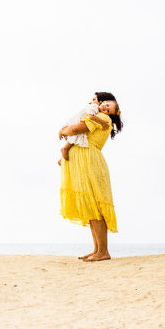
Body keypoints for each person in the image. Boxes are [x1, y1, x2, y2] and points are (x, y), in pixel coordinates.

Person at [58, 91, 123, 262]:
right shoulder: (97, 116)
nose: (95, 103)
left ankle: (103, 251)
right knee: (89, 207)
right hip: (84, 160)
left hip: (89, 161)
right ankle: (97, 250)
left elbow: (76, 129)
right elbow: (77, 134)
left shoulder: (102, 118)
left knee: (94, 206)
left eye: (104, 103)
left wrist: (62, 129)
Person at [58, 94, 111, 164]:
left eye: (94, 100)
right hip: (76, 121)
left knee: (78, 138)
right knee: (78, 135)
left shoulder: (96, 108)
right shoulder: (94, 107)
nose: (90, 102)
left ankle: (61, 158)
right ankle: (65, 148)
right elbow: (91, 117)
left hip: (75, 121)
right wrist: (102, 122)